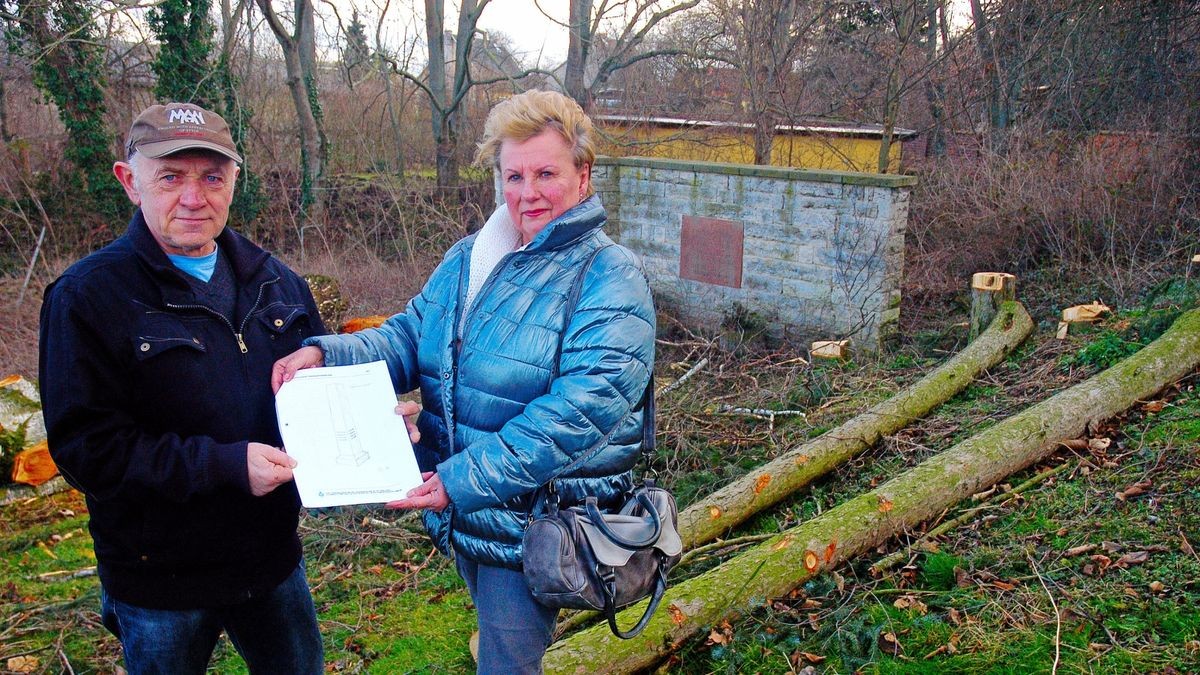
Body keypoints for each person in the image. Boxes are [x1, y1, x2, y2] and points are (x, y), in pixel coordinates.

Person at [272, 89, 655, 673]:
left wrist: (460, 479)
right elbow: (407, 336)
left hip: (538, 523)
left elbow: (579, 411)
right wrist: (330, 355)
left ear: (584, 175)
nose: (528, 193)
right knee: (501, 646)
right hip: (466, 510)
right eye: (514, 175)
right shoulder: (471, 257)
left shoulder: (609, 275)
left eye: (546, 173)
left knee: (505, 661)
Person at [39, 102, 327, 674]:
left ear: (233, 183)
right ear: (130, 181)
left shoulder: (277, 282)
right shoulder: (88, 298)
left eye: (212, 177)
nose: (194, 198)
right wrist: (225, 466)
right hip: (159, 581)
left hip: (271, 562)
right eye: (171, 177)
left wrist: (373, 420)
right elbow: (87, 451)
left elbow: (319, 396)